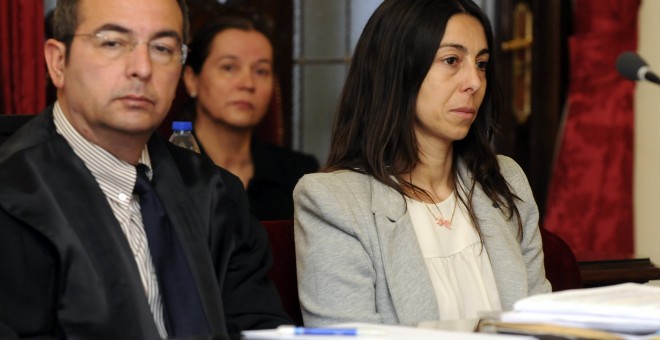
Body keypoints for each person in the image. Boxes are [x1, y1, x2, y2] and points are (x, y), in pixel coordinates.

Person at [0, 0, 291, 338]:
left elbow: (259, 328)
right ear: (58, 61)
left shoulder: (215, 194)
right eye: (112, 42)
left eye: (162, 48)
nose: (142, 67)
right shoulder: (13, 191)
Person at [293, 0, 552, 327]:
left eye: (482, 63)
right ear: (397, 68)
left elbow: (546, 325)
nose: (474, 81)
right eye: (452, 60)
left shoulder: (504, 181)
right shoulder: (333, 202)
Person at [181, 13, 319, 221]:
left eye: (261, 71)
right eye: (229, 67)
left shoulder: (299, 175)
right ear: (192, 80)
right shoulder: (167, 170)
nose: (247, 83)